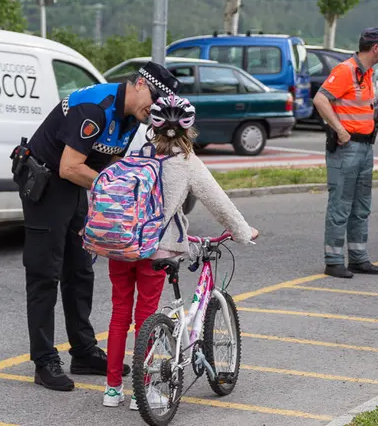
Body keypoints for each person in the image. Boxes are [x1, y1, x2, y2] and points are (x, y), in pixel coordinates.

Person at [13, 61, 181, 392]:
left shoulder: (133, 117)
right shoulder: (95, 108)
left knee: (80, 271)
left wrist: (128, 182)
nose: (155, 108)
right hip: (48, 184)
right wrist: (120, 189)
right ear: (137, 85)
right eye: (155, 98)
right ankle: (44, 360)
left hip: (76, 187)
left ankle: (84, 352)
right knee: (45, 275)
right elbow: (69, 165)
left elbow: (109, 163)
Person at [101, 94, 260, 408]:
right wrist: (244, 232)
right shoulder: (187, 163)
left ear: (154, 125)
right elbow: (220, 204)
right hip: (155, 250)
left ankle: (112, 389)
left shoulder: (136, 151)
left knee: (119, 315)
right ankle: (141, 392)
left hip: (120, 244)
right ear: (189, 129)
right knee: (147, 317)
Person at [312, 27, 378, 279]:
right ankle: (334, 260)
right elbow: (320, 99)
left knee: (361, 206)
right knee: (341, 205)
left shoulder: (367, 73)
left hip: (365, 147)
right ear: (376, 47)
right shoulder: (346, 70)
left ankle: (358, 258)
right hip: (347, 148)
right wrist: (340, 130)